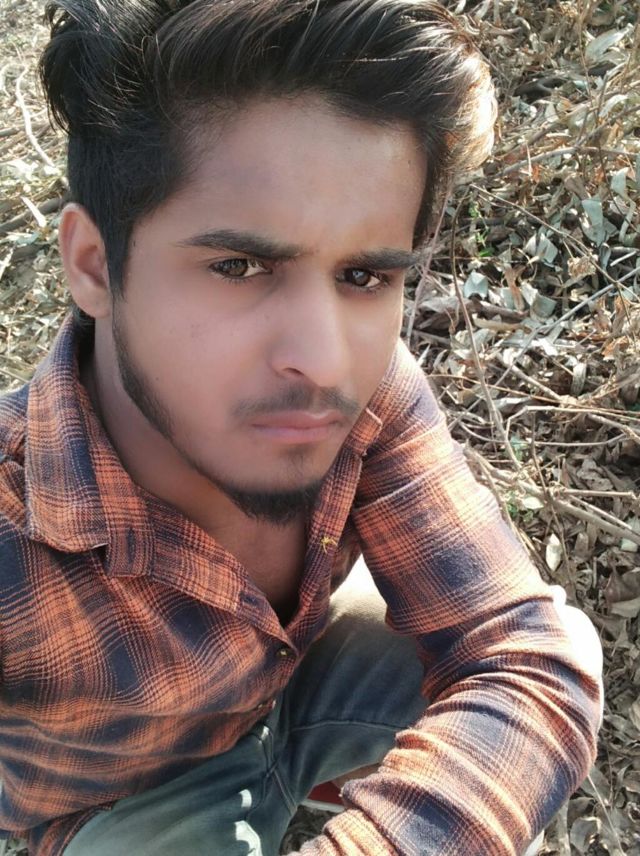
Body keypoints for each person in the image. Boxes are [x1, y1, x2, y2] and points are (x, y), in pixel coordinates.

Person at [0, 0, 603, 854]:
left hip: (306, 691)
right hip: (128, 800)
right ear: (95, 265)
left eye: (363, 276)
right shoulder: (13, 524)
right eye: (239, 266)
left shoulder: (371, 390)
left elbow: (524, 654)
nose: (322, 362)